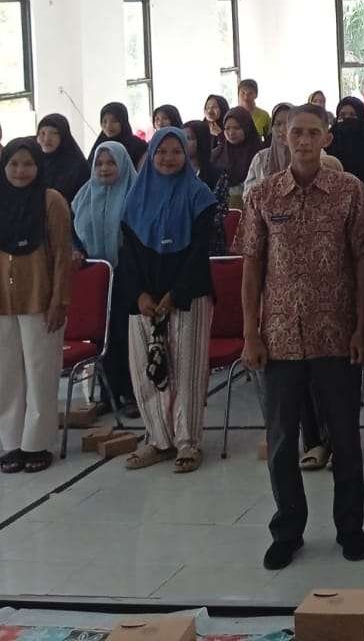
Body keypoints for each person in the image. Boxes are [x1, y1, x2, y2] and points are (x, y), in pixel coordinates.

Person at [240, 103, 364, 570]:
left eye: (313, 132)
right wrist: (250, 332)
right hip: (279, 337)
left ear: (326, 138)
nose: (303, 140)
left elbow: (362, 261)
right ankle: (287, 530)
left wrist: (362, 327)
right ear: (283, 136)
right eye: (296, 132)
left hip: (335, 333)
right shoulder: (262, 194)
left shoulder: (349, 191)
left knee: (345, 437)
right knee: (281, 441)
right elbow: (251, 266)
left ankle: (351, 527)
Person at [0, 139, 74, 474]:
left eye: (28, 164)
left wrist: (60, 301)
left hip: (40, 300)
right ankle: (12, 442)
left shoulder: (51, 201)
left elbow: (62, 256)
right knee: (5, 373)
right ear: (3, 167)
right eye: (13, 164)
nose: (20, 171)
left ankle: (37, 443)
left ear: (38, 167)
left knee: (41, 372)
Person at [117, 129, 218, 473]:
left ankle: (187, 442)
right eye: (161, 152)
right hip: (143, 299)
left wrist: (176, 294)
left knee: (186, 372)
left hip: (188, 296)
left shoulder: (199, 196)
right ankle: (158, 439)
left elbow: (200, 252)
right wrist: (139, 294)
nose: (168, 158)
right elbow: (128, 255)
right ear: (150, 155)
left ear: (186, 155)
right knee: (147, 370)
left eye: (176, 151)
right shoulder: (135, 198)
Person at [71, 141, 139, 410]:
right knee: (101, 334)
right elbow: (72, 234)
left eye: (111, 163)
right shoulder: (84, 195)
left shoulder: (136, 194)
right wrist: (76, 251)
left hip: (128, 275)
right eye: (99, 163)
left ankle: (132, 393)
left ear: (123, 164)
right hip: (95, 276)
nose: (104, 168)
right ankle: (108, 393)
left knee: (126, 335)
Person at [213, 107, 263, 206]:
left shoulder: (260, 154)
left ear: (247, 127)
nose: (231, 133)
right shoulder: (217, 153)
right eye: (227, 128)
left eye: (237, 128)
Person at [36, 114, 88, 203]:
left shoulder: (77, 165)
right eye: (42, 133)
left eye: (54, 133)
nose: (47, 139)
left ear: (64, 136)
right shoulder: (33, 161)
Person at [95, 102, 149, 167]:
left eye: (114, 121)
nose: (108, 126)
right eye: (104, 121)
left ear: (123, 122)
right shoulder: (99, 145)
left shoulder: (139, 147)